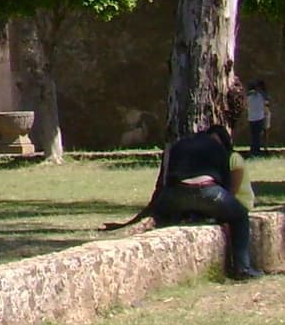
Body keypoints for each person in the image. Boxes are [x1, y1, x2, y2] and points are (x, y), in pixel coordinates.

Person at [108, 104, 262, 279]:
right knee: (240, 216)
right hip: (209, 192)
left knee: (163, 215)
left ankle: (161, 266)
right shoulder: (218, 149)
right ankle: (242, 268)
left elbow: (169, 178)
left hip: (176, 193)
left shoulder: (179, 145)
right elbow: (224, 184)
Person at [245, 80, 270, 158]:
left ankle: (253, 150)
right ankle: (256, 151)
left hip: (251, 118)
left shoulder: (248, 97)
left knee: (253, 136)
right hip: (259, 118)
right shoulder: (260, 96)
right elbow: (266, 101)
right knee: (258, 136)